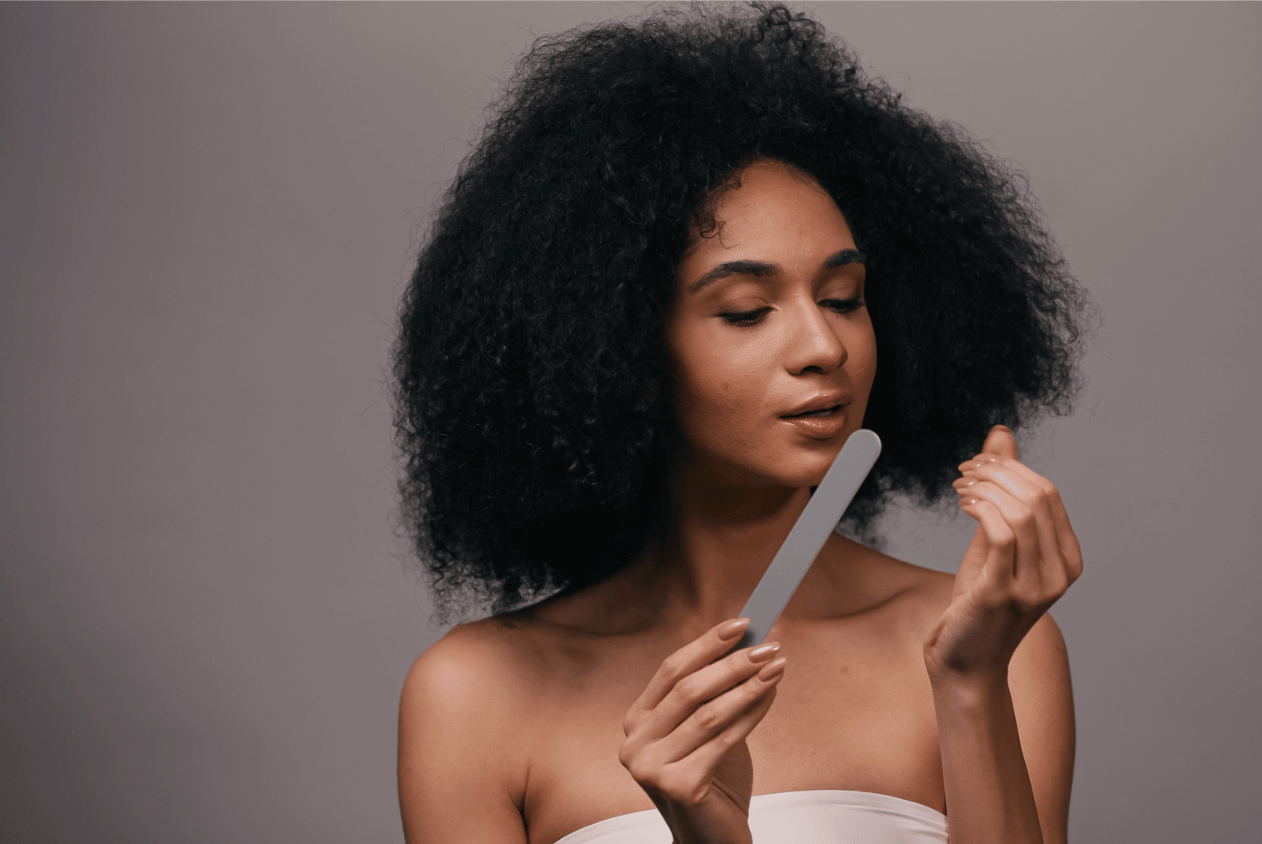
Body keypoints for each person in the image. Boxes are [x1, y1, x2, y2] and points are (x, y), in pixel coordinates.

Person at [393, 5, 1091, 843]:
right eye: (748, 310)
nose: (823, 345)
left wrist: (971, 681)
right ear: (614, 348)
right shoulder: (474, 694)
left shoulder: (988, 644)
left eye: (844, 299)